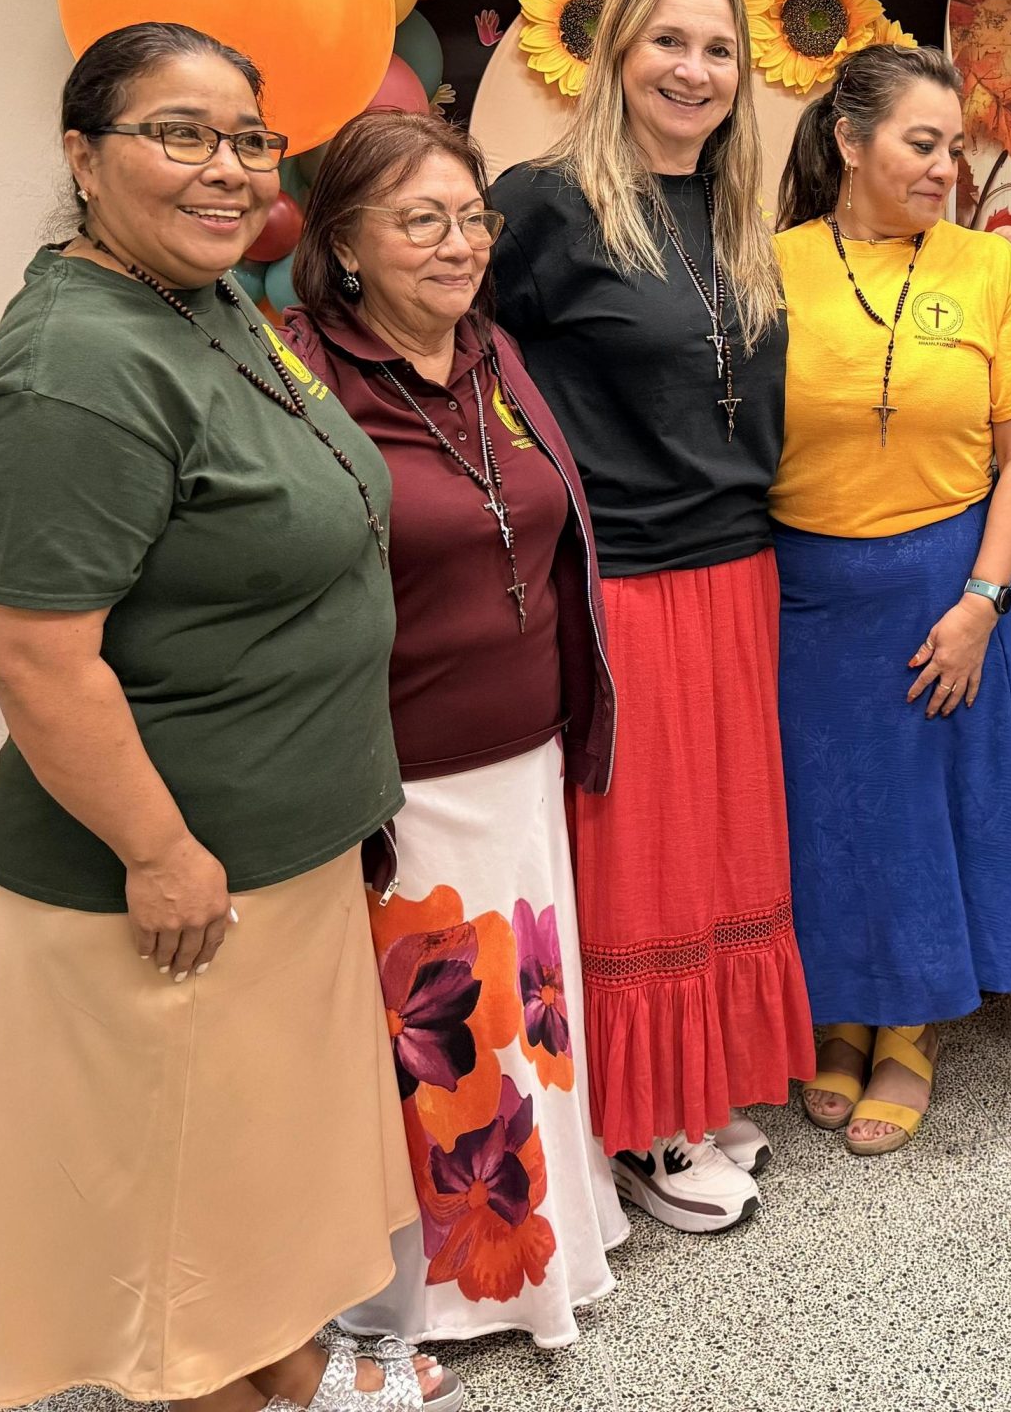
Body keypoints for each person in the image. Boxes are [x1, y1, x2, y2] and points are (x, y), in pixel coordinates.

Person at [0, 24, 441, 1412]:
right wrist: (160, 854)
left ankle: (293, 1370)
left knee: (255, 1197)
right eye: (180, 133)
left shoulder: (199, 302)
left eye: (249, 140)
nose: (227, 169)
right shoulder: (74, 373)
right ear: (81, 154)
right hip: (168, 888)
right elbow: (37, 656)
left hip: (272, 856)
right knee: (182, 1255)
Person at [278, 110, 625, 1350]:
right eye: (420, 220)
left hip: (523, 760)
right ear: (343, 244)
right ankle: (423, 1291)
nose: (459, 243)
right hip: (399, 778)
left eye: (471, 217)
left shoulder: (493, 355)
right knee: (438, 1039)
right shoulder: (296, 372)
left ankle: (549, 1243)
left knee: (528, 1019)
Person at [486, 0, 810, 1232]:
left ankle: (699, 1082)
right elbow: (456, 362)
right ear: (615, 52)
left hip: (737, 567)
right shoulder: (545, 204)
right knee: (644, 861)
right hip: (625, 580)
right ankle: (640, 1122)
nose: (694, 69)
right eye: (668, 41)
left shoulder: (731, 211)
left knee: (722, 848)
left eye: (718, 49)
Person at [767, 43, 1011, 1156]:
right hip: (807, 596)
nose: (946, 166)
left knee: (925, 815)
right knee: (829, 812)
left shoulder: (989, 268)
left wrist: (983, 599)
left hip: (948, 586)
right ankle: (840, 1013)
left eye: (955, 147)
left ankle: (910, 1027)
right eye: (922, 143)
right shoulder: (770, 265)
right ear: (850, 143)